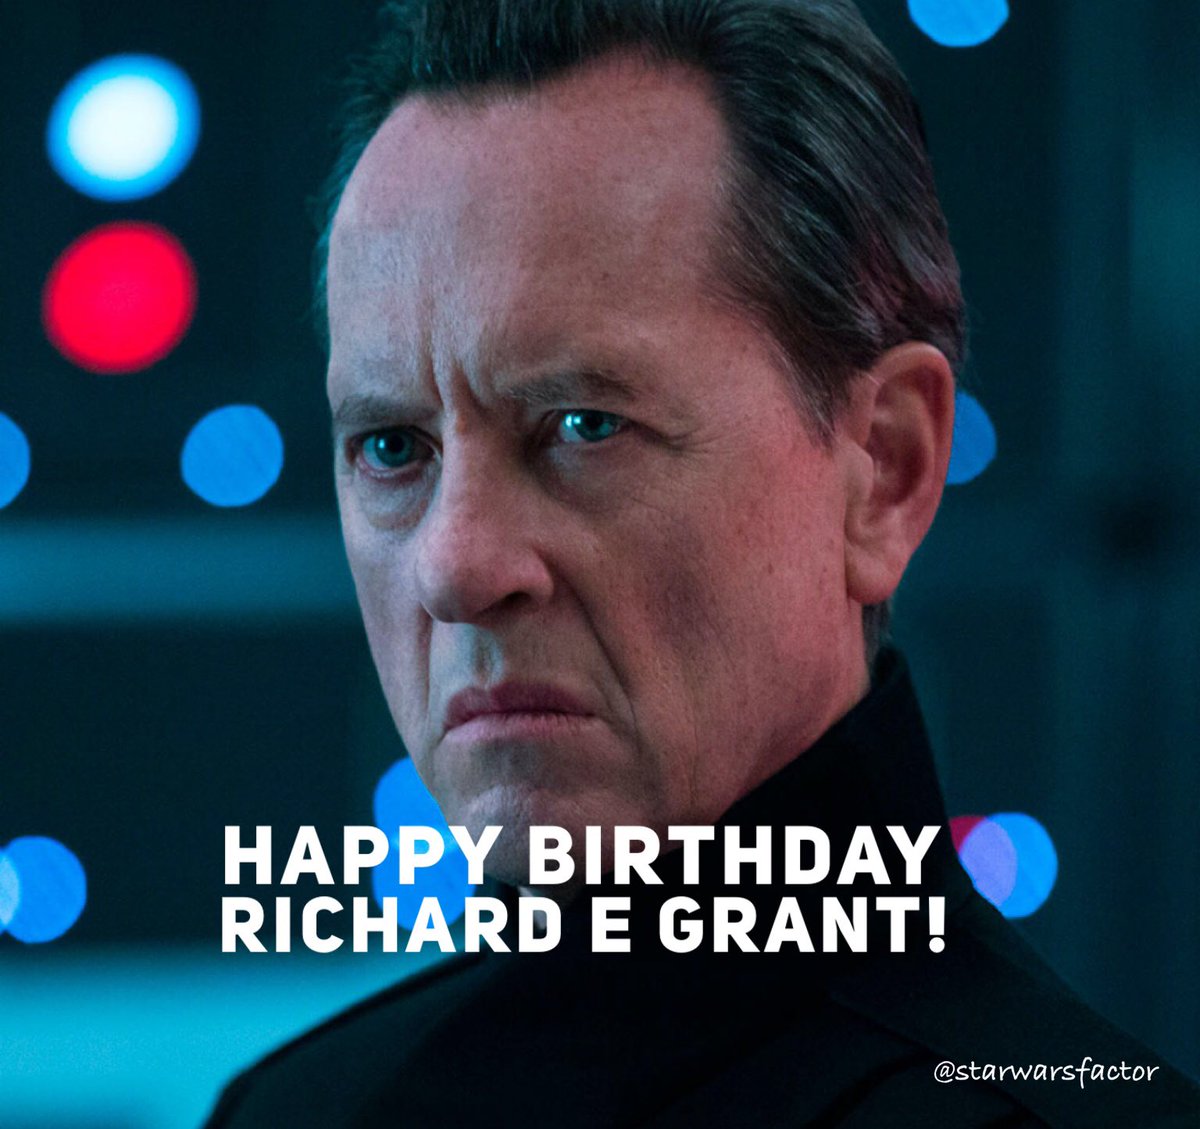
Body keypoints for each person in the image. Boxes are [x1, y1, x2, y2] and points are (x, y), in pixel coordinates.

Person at [204, 1, 1200, 1124]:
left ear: (884, 467)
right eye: (393, 447)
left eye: (583, 426)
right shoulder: (297, 1112)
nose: (454, 568)